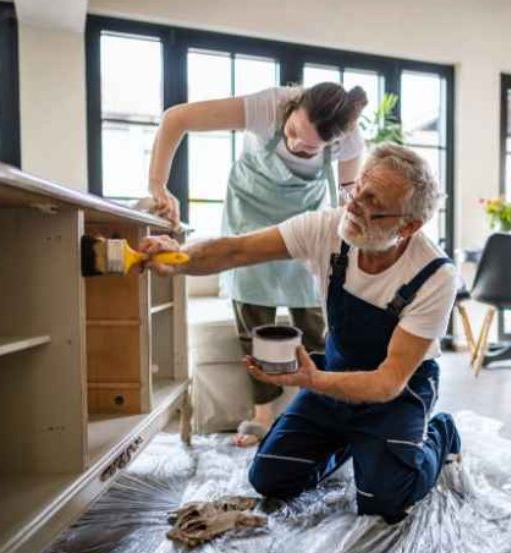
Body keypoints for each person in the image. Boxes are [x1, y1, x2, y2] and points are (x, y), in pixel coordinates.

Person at [142, 144, 461, 524]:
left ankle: (443, 432)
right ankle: (350, 439)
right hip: (335, 375)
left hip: (397, 392)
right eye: (355, 189)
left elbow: (388, 382)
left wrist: (313, 380)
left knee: (385, 501)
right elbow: (237, 251)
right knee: (270, 479)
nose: (354, 205)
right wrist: (178, 257)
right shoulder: (329, 228)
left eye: (371, 200)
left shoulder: (435, 275)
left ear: (407, 226)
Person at [147, 82, 369, 447]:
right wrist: (159, 185)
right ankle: (262, 413)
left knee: (314, 324)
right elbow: (177, 119)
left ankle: (320, 411)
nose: (297, 144)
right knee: (254, 321)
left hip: (305, 222)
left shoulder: (349, 140)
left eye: (311, 146)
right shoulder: (267, 107)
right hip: (249, 214)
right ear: (293, 107)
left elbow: (347, 198)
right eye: (294, 131)